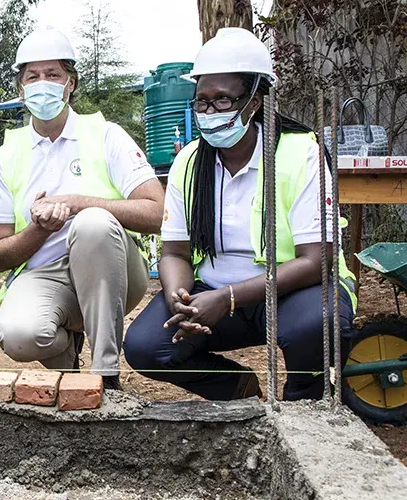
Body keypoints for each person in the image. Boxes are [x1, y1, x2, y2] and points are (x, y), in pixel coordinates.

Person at [123, 28, 356, 401]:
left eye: (222, 100)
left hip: (293, 292)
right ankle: (237, 390)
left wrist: (228, 298)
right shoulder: (189, 162)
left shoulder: (300, 154)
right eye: (201, 101)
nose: (210, 112)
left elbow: (319, 260)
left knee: (315, 326)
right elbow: (174, 253)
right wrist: (178, 297)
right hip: (214, 294)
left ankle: (304, 399)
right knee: (147, 346)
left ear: (256, 101)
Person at [0, 28, 164, 391]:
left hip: (114, 271)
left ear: (71, 83)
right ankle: (69, 362)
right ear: (20, 89)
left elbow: (157, 213)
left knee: (92, 224)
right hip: (46, 275)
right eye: (32, 76)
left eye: (53, 74)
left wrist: (78, 204)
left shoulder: (106, 135)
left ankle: (106, 374)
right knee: (19, 334)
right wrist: (41, 229)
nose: (42, 84)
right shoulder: (6, 156)